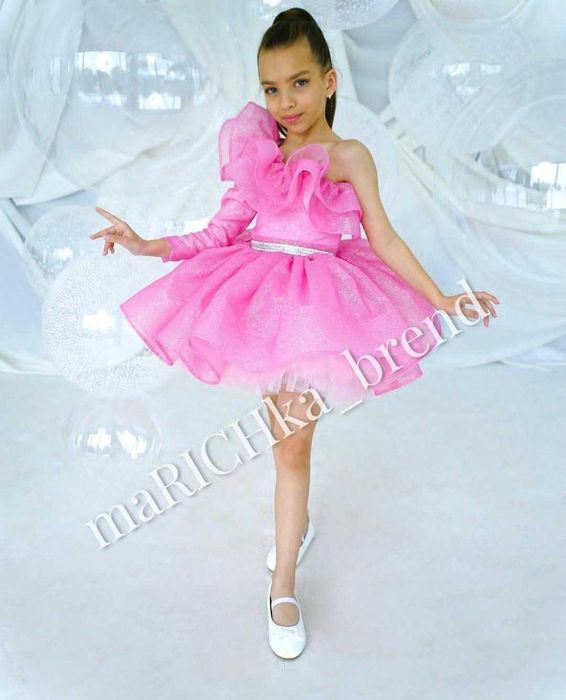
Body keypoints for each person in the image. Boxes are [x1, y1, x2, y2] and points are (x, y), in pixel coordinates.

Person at [90, 7, 500, 659]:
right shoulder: (259, 154)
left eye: (300, 83)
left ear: (330, 82)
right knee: (289, 444)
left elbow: (384, 238)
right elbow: (218, 232)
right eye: (272, 88)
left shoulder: (349, 157)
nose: (286, 102)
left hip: (322, 306)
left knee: (292, 446)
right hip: (260, 306)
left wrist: (441, 298)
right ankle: (294, 533)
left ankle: (282, 580)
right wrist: (147, 245)